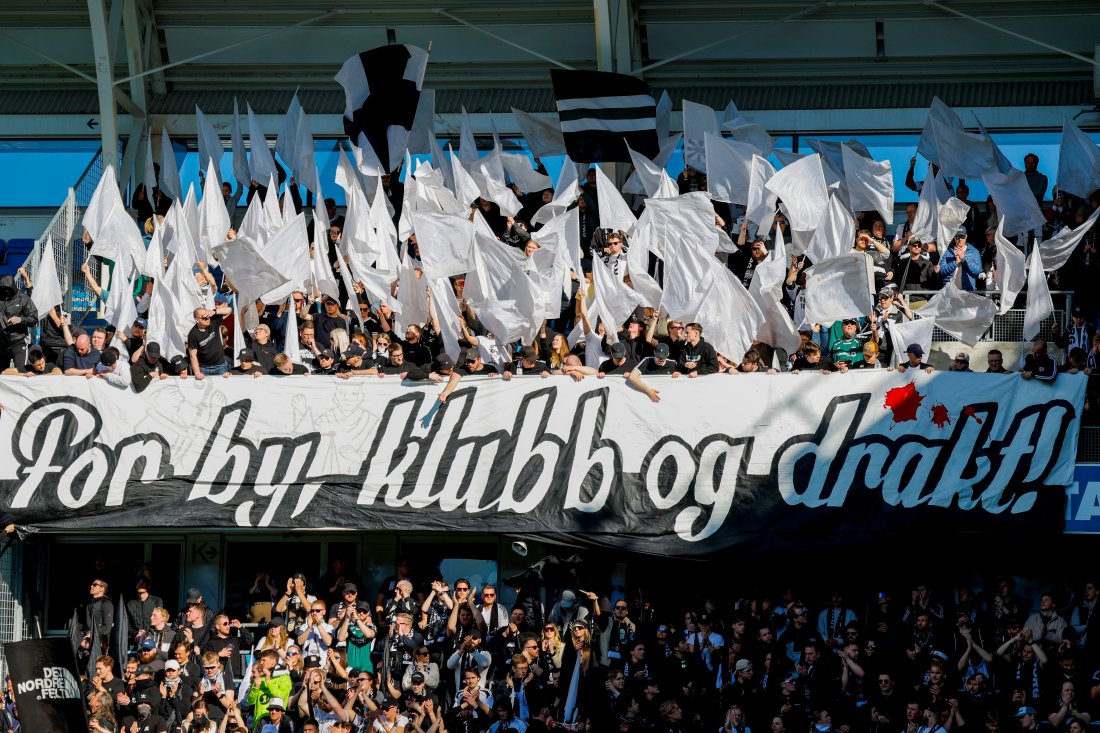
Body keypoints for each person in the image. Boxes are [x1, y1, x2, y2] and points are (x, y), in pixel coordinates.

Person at [0, 273, 36, 370]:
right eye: (3, 289)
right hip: (2, 342)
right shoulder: (1, 298)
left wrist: (20, 319)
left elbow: (34, 318)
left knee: (21, 371)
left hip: (18, 340)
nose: (6, 291)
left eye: (8, 289)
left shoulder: (24, 299)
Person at [187, 305, 233, 378]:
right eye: (204, 318)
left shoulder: (213, 321)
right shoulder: (193, 334)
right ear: (197, 320)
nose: (208, 319)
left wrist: (214, 311)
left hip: (220, 366)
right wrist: (197, 373)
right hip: (204, 368)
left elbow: (229, 310)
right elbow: (193, 355)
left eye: (208, 316)